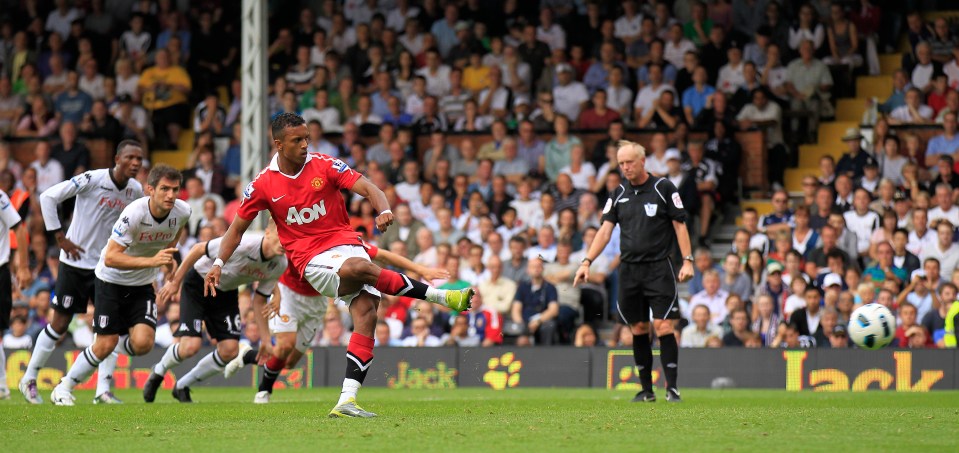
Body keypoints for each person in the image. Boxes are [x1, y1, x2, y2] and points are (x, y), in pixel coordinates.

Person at [208, 113, 472, 417]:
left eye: (307, 138)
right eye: (297, 140)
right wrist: (218, 263)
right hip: (310, 261)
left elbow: (370, 187)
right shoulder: (263, 185)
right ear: (278, 144)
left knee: (367, 312)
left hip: (346, 244)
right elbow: (235, 230)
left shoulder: (324, 164)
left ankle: (347, 400)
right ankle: (441, 297)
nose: (305, 144)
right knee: (358, 270)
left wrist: (383, 209)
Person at [221, 239, 447, 402]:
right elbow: (273, 267)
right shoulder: (292, 236)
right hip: (288, 295)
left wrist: (419, 269)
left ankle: (246, 355)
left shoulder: (340, 239)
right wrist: (277, 294)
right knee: (284, 346)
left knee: (288, 363)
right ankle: (264, 391)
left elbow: (381, 254)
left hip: (316, 301)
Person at [51, 165, 191, 406]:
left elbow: (173, 235)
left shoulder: (183, 211)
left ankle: (109, 348)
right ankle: (64, 387)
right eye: (164, 189)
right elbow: (111, 257)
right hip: (110, 281)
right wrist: (153, 261)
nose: (170, 195)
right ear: (150, 190)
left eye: (175, 190)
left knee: (144, 343)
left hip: (143, 284)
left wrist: (168, 263)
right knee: (104, 343)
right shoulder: (134, 213)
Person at [18, 141, 144, 405]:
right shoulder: (92, 179)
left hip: (106, 267)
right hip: (75, 263)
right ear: (117, 158)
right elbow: (48, 196)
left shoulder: (136, 190)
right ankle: (29, 378)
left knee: (110, 329)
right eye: (130, 158)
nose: (135, 163)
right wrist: (59, 237)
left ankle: (103, 390)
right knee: (60, 324)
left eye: (139, 159)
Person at [575, 140, 694, 403]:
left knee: (663, 326)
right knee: (638, 328)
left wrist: (687, 260)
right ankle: (646, 390)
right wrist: (586, 262)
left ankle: (672, 388)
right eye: (621, 163)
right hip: (629, 271)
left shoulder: (663, 188)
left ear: (643, 161)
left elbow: (679, 226)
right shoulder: (617, 193)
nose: (625, 167)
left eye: (629, 162)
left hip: (659, 268)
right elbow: (604, 231)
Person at [141, 226, 286, 403]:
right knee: (190, 346)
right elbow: (197, 249)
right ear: (268, 233)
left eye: (287, 237)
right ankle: (159, 371)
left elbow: (259, 301)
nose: (284, 242)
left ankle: (182, 386)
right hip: (199, 283)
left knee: (230, 351)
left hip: (226, 293)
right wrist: (175, 281)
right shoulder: (243, 243)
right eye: (281, 236)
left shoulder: (280, 263)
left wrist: (265, 340)